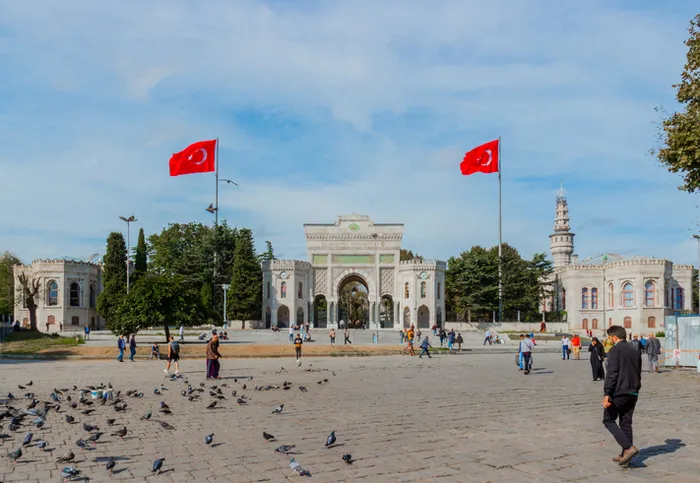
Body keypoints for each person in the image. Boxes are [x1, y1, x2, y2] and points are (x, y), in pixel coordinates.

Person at [602, 325, 642, 466]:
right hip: (633, 391)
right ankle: (625, 455)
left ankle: (628, 447)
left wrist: (607, 393)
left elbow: (612, 373)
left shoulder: (615, 350)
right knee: (626, 422)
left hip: (619, 391)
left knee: (608, 420)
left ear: (614, 337)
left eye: (610, 338)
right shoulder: (635, 350)